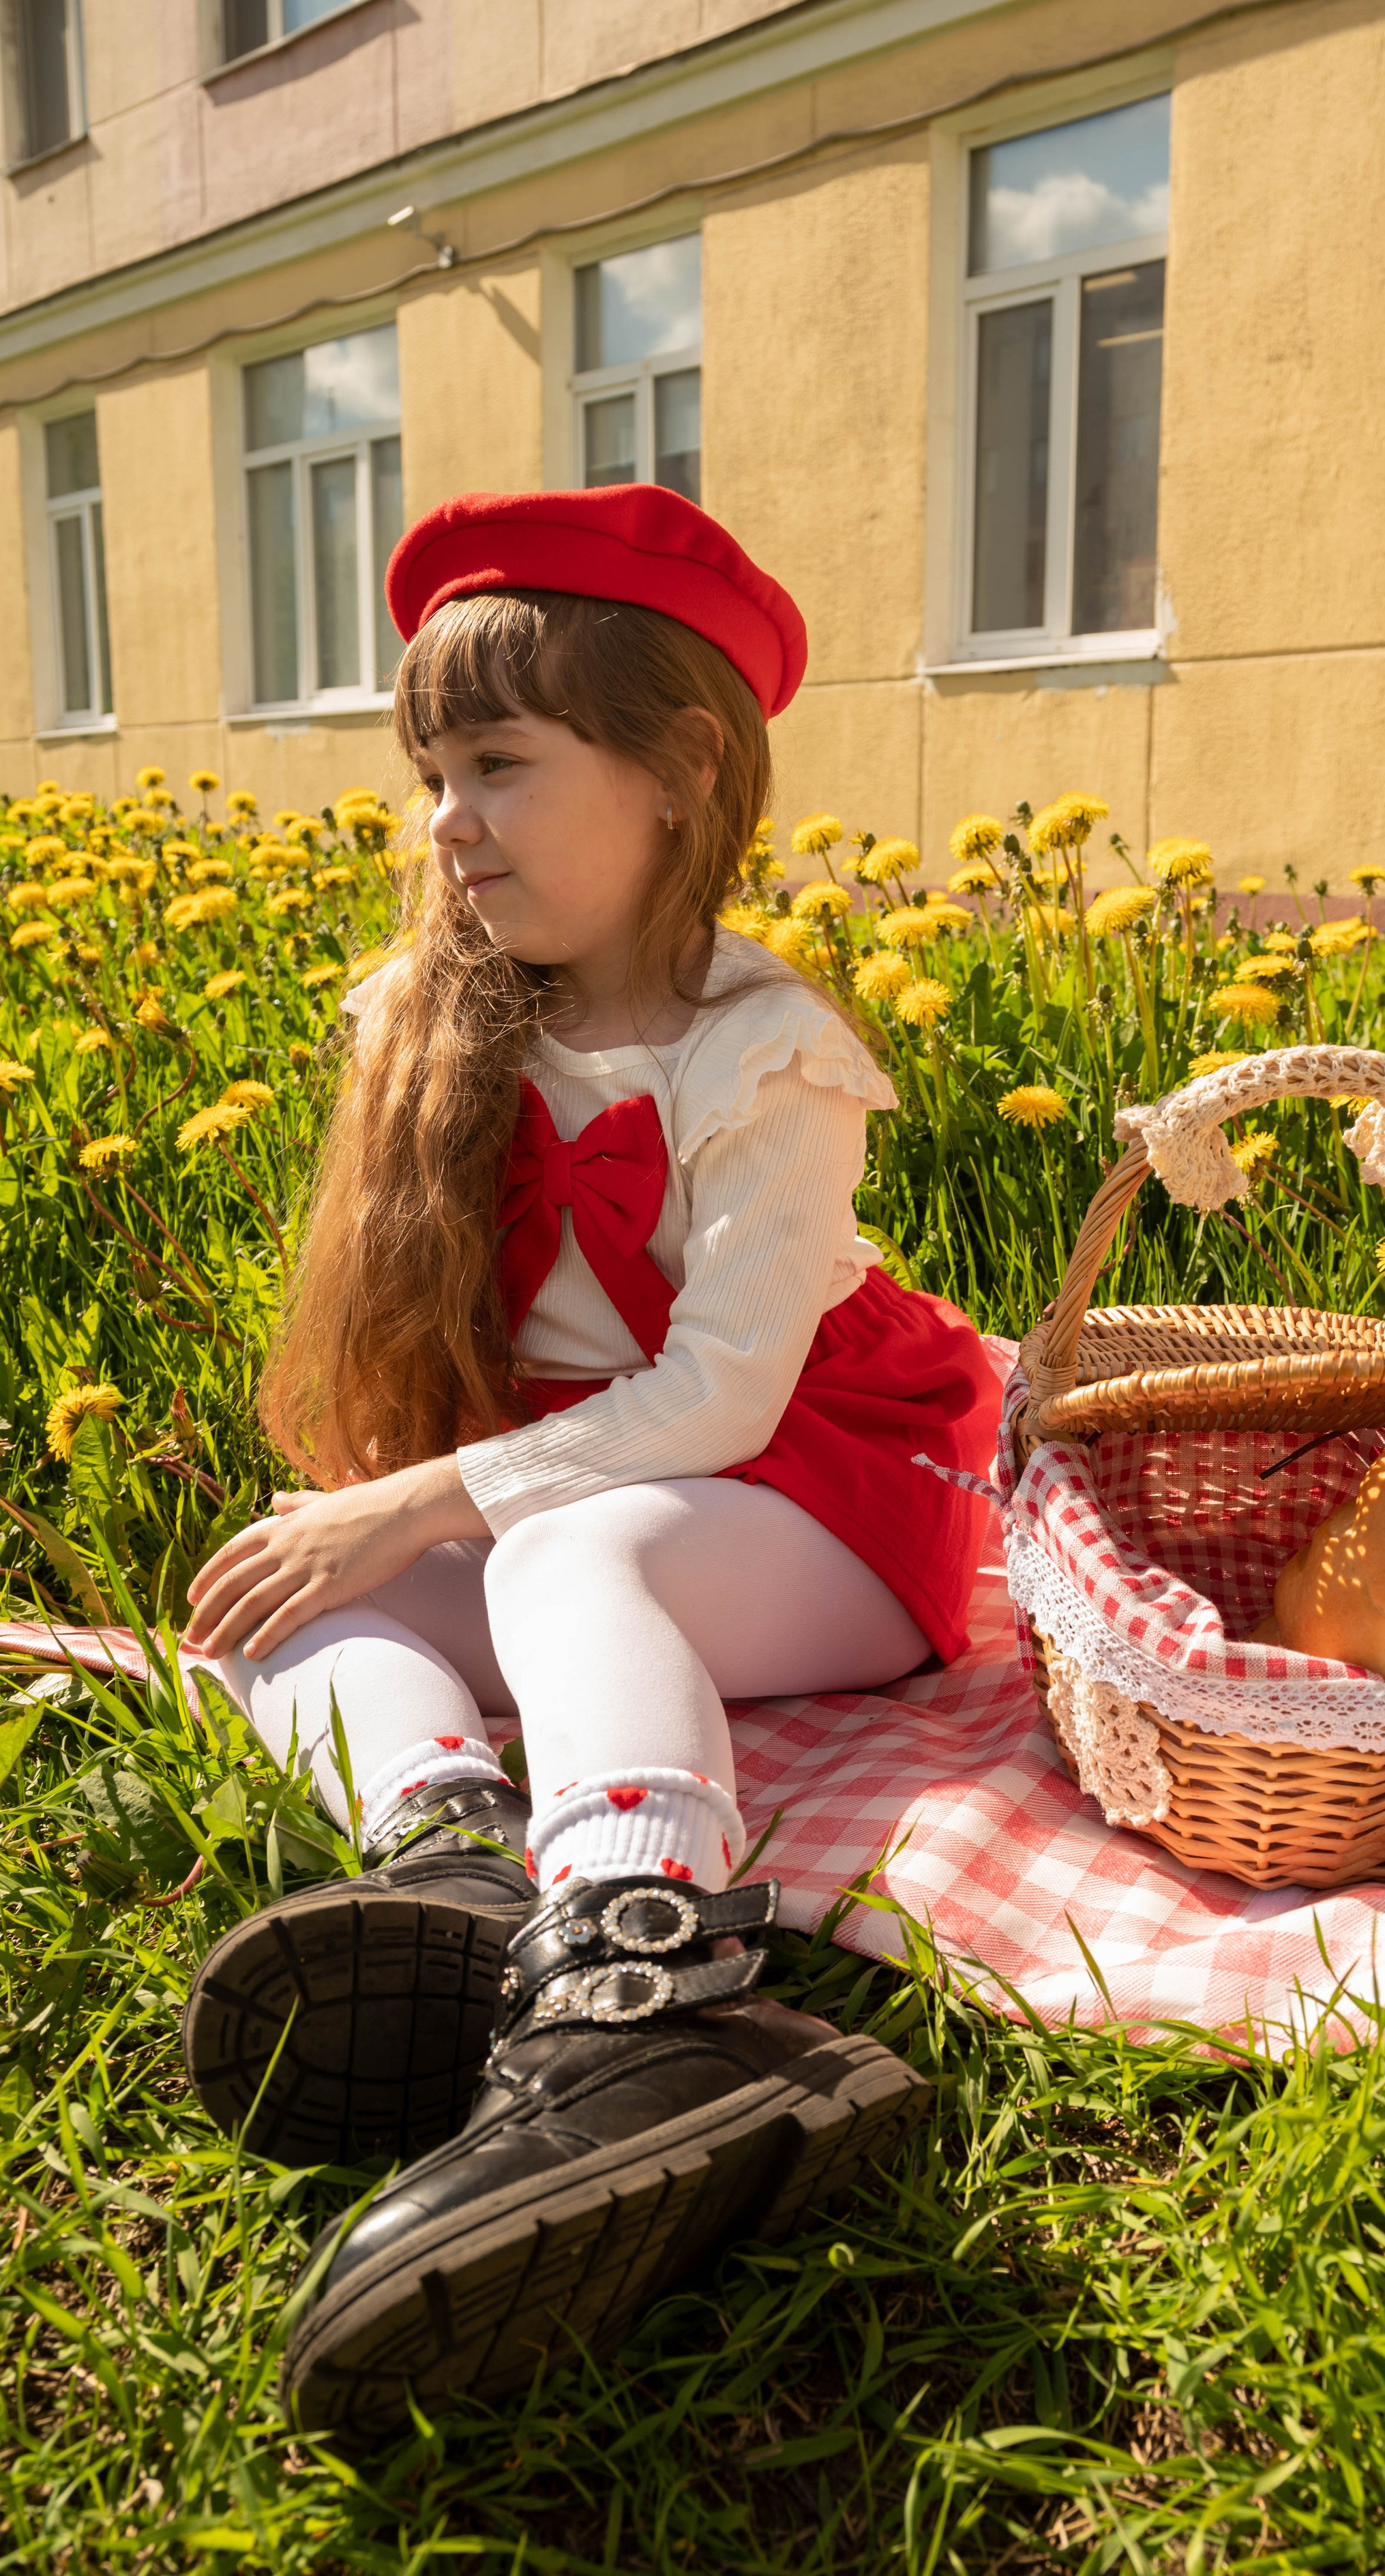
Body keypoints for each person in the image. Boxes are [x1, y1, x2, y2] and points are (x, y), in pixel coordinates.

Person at [175, 485, 1002, 2445]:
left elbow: (718, 1402)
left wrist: (425, 1495)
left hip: (820, 1503)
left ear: (679, 768)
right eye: (430, 771)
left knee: (553, 1561)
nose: (443, 819)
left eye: (501, 767)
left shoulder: (764, 1049)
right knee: (290, 1580)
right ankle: (454, 1872)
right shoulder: (444, 1025)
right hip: (609, 1507)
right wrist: (373, 1518)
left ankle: (650, 1981)